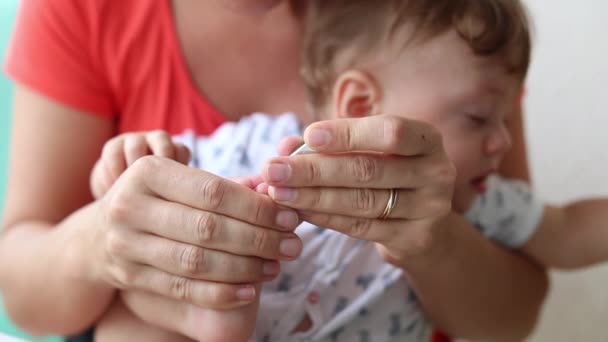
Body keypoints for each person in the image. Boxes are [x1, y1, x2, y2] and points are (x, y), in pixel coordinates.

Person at [0, 0, 547, 342]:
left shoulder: (460, 26)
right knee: (133, 319)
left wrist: (437, 241)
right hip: (168, 315)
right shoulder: (84, 10)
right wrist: (104, 232)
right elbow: (22, 290)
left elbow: (514, 315)